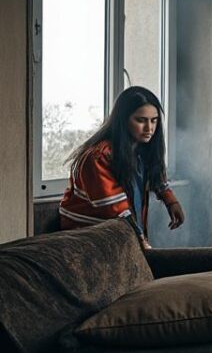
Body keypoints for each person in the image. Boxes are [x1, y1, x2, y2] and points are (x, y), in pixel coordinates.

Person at [58, 86, 184, 247]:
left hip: (120, 235)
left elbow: (155, 175)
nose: (149, 128)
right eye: (141, 120)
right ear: (123, 120)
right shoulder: (98, 157)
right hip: (87, 240)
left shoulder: (141, 149)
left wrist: (171, 201)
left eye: (154, 120)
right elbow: (115, 211)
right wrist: (141, 242)